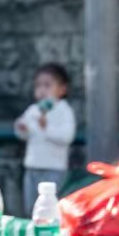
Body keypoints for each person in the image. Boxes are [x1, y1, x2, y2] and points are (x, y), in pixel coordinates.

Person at [13, 62, 76, 213]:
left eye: (47, 85)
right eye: (38, 85)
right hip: (33, 167)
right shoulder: (33, 110)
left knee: (50, 208)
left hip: (53, 168)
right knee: (31, 207)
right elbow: (24, 133)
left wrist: (46, 128)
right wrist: (21, 128)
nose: (42, 90)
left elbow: (67, 137)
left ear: (62, 89)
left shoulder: (64, 110)